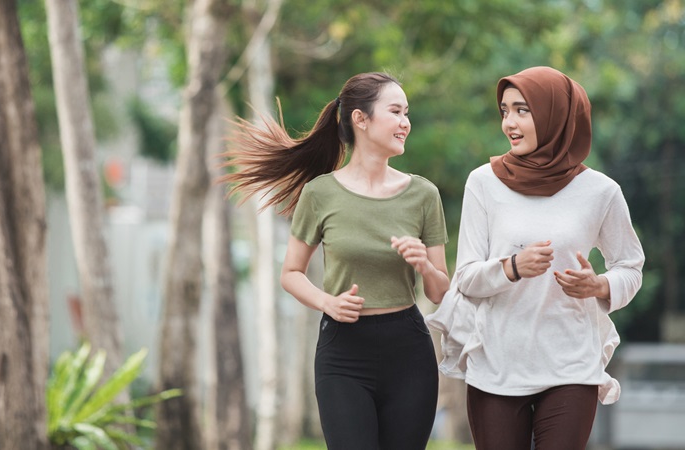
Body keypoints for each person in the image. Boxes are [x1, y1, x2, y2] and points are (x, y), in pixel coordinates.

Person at [221, 72, 450, 449]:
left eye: (407, 112)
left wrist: (425, 264)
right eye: (395, 111)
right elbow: (291, 273)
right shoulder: (320, 193)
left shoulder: (423, 194)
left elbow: (439, 291)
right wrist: (328, 301)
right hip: (344, 354)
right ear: (360, 119)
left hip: (409, 354)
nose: (406, 122)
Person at [428, 66, 645, 450]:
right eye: (504, 111)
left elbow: (630, 266)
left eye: (522, 110)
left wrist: (599, 285)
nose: (509, 123)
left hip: (571, 364)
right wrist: (512, 267)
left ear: (555, 114)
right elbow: (465, 278)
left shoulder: (601, 192)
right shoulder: (483, 182)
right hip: (497, 364)